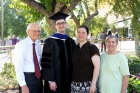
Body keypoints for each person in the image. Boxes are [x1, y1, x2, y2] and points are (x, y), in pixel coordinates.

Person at [41, 12, 76, 93]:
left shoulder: (71, 41)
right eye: (58, 23)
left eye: (63, 23)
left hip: (68, 79)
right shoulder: (49, 41)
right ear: (55, 26)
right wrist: (50, 80)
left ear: (66, 24)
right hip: (55, 80)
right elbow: (46, 62)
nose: (61, 25)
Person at [14, 23, 43, 93]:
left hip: (38, 79)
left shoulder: (38, 45)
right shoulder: (21, 46)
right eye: (34, 31)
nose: (37, 33)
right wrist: (23, 85)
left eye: (39, 31)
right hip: (27, 79)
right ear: (28, 32)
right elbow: (18, 67)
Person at [71, 25, 100, 93]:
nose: (81, 34)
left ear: (87, 34)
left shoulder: (92, 48)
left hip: (88, 84)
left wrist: (93, 84)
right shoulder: (74, 48)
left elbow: (97, 67)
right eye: (79, 32)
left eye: (83, 33)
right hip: (74, 84)